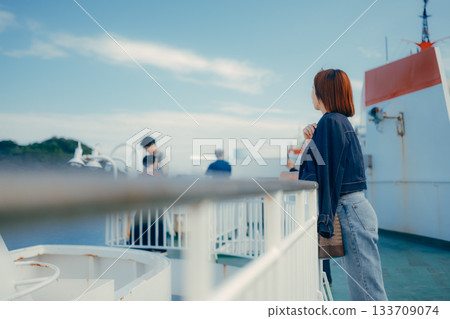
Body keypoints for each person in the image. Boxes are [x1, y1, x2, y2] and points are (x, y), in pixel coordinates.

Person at [295, 69, 387, 301]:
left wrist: (324, 219)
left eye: (313, 88)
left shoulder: (329, 123)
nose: (311, 93)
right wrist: (311, 140)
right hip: (355, 209)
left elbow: (321, 175)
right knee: (367, 291)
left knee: (368, 295)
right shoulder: (337, 123)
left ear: (323, 91)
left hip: (350, 211)